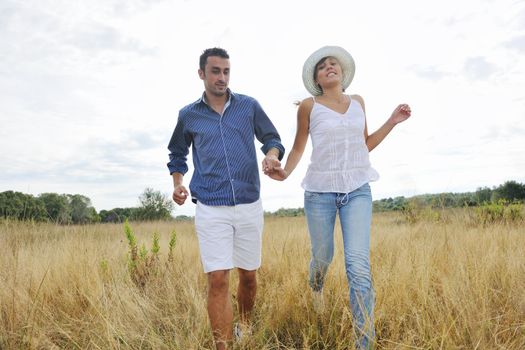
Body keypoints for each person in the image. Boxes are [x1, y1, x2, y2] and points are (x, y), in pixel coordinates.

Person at [266, 46, 411, 349]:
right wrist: (285, 173)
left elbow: (364, 145)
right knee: (322, 258)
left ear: (343, 73)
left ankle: (364, 343)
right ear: (317, 79)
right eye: (323, 66)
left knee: (358, 266)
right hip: (319, 193)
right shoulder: (309, 106)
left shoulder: (358, 102)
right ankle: (316, 287)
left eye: (334, 64)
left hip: (358, 190)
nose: (329, 67)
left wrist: (392, 121)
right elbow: (297, 148)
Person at [167, 47, 284, 349]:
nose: (222, 77)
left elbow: (272, 139)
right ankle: (223, 346)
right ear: (201, 73)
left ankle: (244, 326)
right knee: (218, 278)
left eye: (226, 71)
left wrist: (272, 155)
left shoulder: (248, 106)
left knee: (248, 276)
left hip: (248, 204)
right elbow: (177, 154)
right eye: (216, 71)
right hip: (210, 207)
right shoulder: (188, 115)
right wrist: (178, 183)